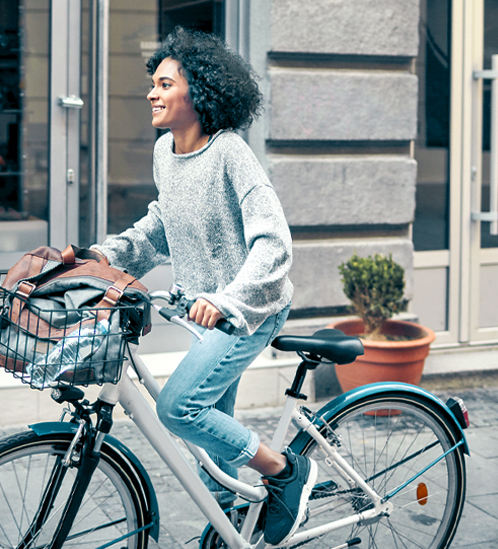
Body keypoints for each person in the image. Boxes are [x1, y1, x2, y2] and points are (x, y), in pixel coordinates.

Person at [92, 27, 317, 546]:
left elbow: (274, 244)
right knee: (214, 430)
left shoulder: (230, 153)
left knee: (180, 409)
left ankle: (285, 472)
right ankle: (226, 531)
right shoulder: (164, 153)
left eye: (165, 83)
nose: (153, 92)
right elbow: (160, 225)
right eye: (153, 83)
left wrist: (227, 299)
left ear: (201, 93)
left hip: (249, 308)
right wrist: (103, 255)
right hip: (204, 313)